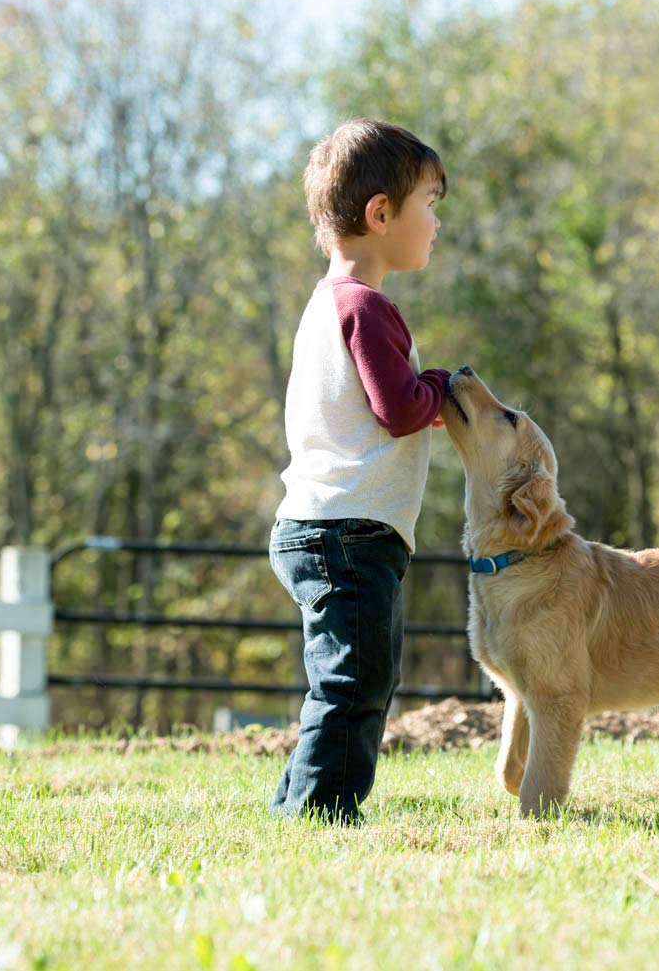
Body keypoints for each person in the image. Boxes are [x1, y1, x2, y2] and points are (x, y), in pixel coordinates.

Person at [268, 119, 450, 821]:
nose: (434, 223)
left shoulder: (325, 304)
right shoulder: (368, 308)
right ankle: (321, 814)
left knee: (342, 679)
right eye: (428, 205)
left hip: (320, 525)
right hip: (347, 531)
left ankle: (297, 804)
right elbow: (399, 410)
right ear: (381, 214)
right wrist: (442, 388)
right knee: (355, 680)